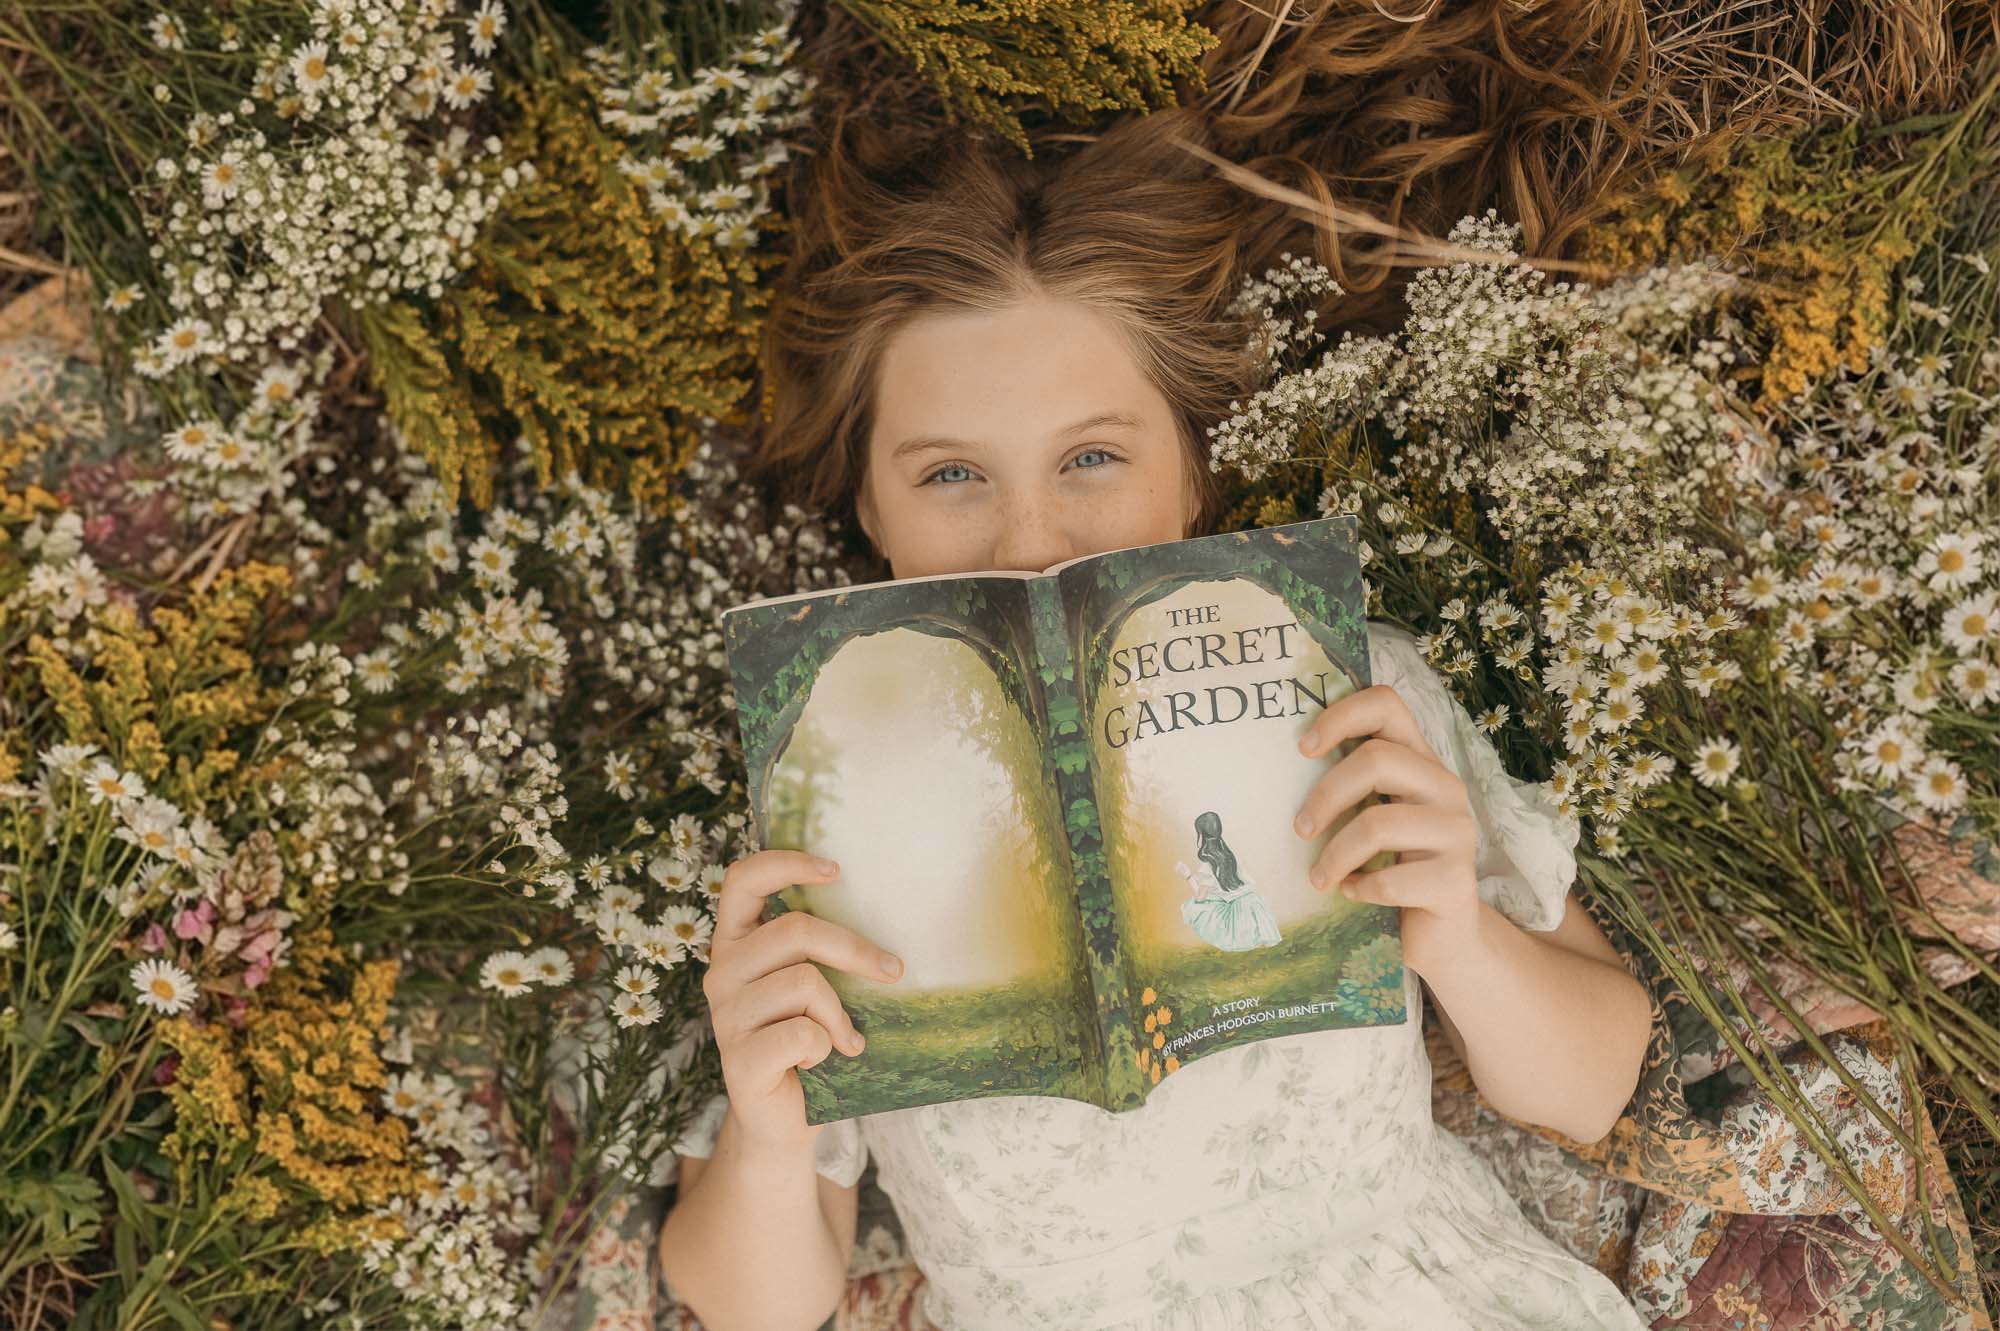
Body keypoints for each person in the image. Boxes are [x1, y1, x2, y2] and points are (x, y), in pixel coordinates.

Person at [657, 104, 1655, 1331]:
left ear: (1191, 465)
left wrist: (1454, 926)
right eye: (951, 474)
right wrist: (763, 1126)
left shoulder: (1344, 686)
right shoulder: (813, 790)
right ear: (868, 505)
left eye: (1090, 458)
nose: (1031, 541)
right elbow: (750, 1305)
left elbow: (1594, 1083)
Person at [1176, 811, 1283, 951]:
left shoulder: (1208, 863)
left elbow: (1200, 897)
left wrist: (1188, 875)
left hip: (1239, 914)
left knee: (1194, 905)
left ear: (1201, 835)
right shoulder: (1229, 855)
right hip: (1255, 903)